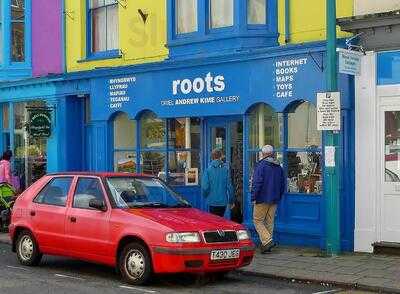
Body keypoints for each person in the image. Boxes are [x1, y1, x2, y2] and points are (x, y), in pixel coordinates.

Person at [251, 145, 285, 254]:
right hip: (274, 199)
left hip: (262, 198)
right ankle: (266, 246)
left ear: (263, 153)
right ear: (272, 153)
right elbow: (282, 184)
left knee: (257, 220)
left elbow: (257, 184)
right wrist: (278, 196)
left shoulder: (261, 166)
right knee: (269, 222)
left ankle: (267, 241)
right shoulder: (278, 167)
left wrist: (253, 197)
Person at [202, 149, 234, 217]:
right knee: (220, 220)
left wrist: (205, 195)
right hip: (223, 202)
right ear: (221, 157)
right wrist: (231, 201)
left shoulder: (208, 170)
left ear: (212, 157)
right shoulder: (226, 170)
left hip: (212, 201)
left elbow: (205, 187)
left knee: (214, 222)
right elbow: (230, 187)